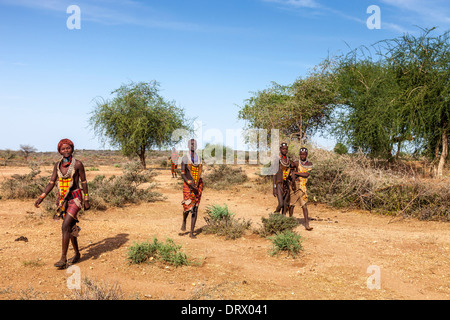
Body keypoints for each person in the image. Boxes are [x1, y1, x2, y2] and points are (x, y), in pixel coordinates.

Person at [34, 139, 90, 268]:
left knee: (65, 226)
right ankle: (77, 253)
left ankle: (63, 258)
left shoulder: (78, 164)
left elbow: (84, 182)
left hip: (75, 198)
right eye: (63, 149)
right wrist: (41, 197)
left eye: (68, 148)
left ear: (72, 149)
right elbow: (52, 182)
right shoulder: (57, 165)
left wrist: (86, 199)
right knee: (70, 228)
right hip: (63, 200)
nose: (66, 151)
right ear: (59, 151)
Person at [180, 139, 204, 238]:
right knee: (188, 207)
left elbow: (199, 172)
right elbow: (183, 174)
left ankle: (191, 232)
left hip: (198, 186)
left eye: (195, 144)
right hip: (188, 186)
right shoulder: (185, 158)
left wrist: (198, 184)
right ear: (188, 145)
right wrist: (190, 183)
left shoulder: (199, 158)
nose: (193, 145)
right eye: (191, 144)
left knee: (195, 208)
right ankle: (184, 220)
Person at [289, 147, 313, 230]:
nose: (302, 156)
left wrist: (296, 173)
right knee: (292, 205)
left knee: (304, 205)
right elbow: (291, 169)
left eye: (304, 154)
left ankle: (307, 224)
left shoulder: (309, 164)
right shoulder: (296, 163)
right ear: (299, 155)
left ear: (306, 155)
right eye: (301, 154)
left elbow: (306, 175)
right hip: (295, 185)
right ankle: (290, 222)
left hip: (303, 187)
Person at [272, 143, 292, 215]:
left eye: (286, 149)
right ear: (280, 149)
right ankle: (274, 216)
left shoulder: (288, 160)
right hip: (279, 184)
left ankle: (283, 220)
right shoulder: (277, 160)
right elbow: (274, 174)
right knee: (280, 204)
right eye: (283, 149)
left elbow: (290, 172)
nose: (285, 150)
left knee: (285, 204)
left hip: (286, 185)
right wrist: (274, 188)